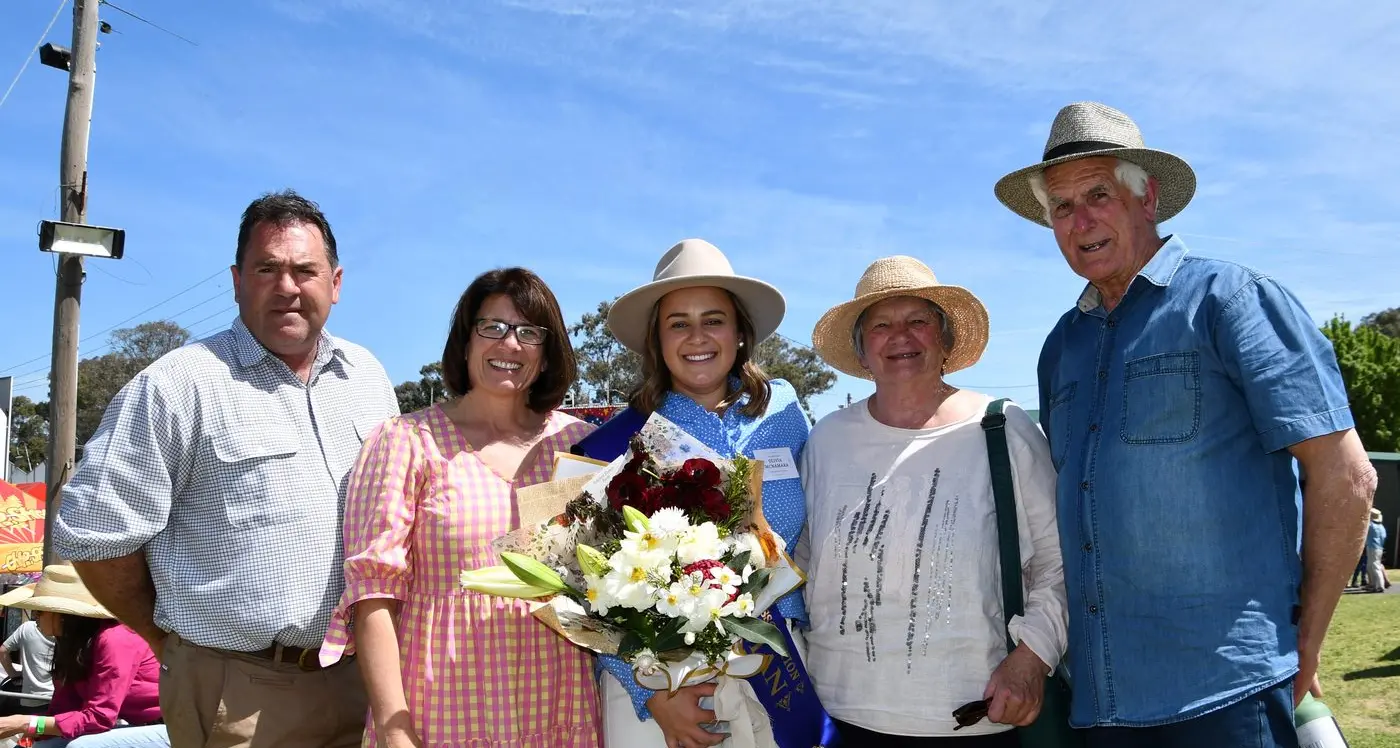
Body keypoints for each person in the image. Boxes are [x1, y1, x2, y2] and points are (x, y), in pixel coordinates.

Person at [995, 101, 1378, 746]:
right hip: (1100, 704)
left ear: (1149, 200)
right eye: (1062, 207)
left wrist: (1306, 643)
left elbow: (1347, 475)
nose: (1079, 220)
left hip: (1226, 693)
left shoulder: (1231, 300)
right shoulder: (1062, 347)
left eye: (1098, 194)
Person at [50, 190, 400, 748]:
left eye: (305, 270)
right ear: (237, 280)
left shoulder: (368, 378)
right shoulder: (178, 385)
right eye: (268, 269)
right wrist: (164, 638)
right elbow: (96, 536)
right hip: (237, 691)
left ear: (335, 283)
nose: (287, 287)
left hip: (363, 684)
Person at [320, 268, 602, 747]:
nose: (509, 345)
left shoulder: (578, 445)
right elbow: (372, 595)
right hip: (442, 709)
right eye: (492, 327)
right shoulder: (405, 442)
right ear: (465, 340)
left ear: (547, 349)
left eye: (529, 332)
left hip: (560, 704)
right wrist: (394, 728)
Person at [799, 256, 1067, 747]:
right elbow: (804, 561)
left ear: (943, 340)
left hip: (971, 712)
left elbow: (1057, 560)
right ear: (862, 351)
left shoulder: (1001, 427)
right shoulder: (827, 440)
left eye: (918, 321)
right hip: (837, 713)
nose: (900, 337)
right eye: (881, 325)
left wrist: (1032, 657)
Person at [572, 238, 816, 748]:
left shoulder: (786, 414)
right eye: (678, 323)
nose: (697, 336)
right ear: (657, 341)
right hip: (657, 679)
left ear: (740, 333)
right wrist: (652, 697)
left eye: (714, 319)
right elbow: (580, 578)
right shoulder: (618, 441)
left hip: (775, 666)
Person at [0, 563, 166, 747]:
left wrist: (24, 724)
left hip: (175, 728)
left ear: (62, 615)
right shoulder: (72, 645)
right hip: (137, 727)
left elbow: (100, 718)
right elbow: (64, 708)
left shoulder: (114, 639)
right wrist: (33, 735)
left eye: (38, 611)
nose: (35, 618)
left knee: (80, 746)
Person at [1, 597, 54, 713]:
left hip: (31, 698)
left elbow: (3, 651)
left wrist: (13, 674)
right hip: (57, 698)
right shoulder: (64, 633)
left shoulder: (26, 628)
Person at [1365, 508, 1388, 593]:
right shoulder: (1382, 527)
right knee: (1371, 566)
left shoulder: (1371, 526)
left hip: (1372, 547)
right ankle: (1374, 584)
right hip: (1379, 548)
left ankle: (1379, 586)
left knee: (1374, 566)